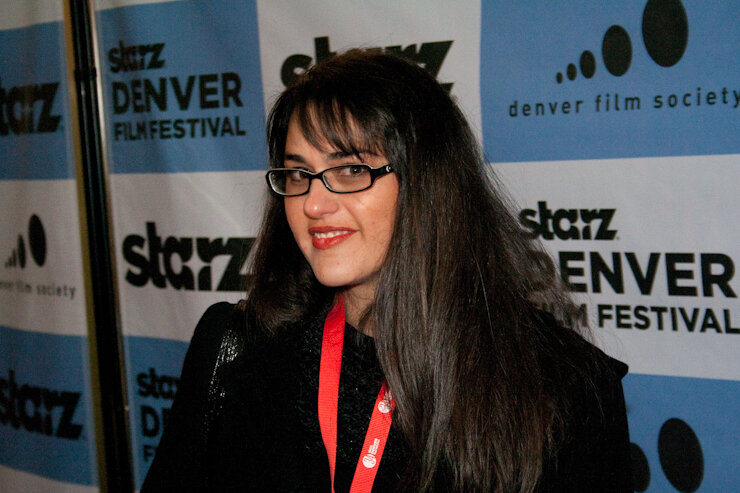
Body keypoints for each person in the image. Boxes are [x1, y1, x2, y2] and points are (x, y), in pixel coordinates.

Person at [142, 49, 631, 492]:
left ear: (427, 183)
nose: (314, 204)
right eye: (298, 173)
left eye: (351, 170)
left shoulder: (562, 388)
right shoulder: (234, 351)